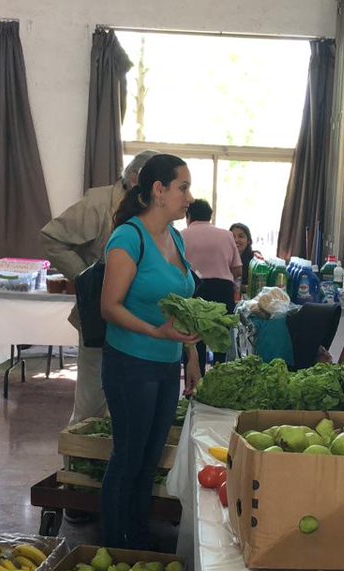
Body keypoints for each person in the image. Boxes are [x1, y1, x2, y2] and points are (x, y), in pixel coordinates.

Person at [100, 154, 201, 550]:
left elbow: (181, 304)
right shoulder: (130, 237)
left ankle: (137, 541)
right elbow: (110, 307)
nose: (189, 196)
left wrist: (191, 357)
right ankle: (111, 545)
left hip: (164, 366)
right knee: (128, 457)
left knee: (149, 459)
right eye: (183, 187)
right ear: (158, 191)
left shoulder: (174, 237)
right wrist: (155, 332)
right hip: (130, 365)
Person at [41, 150, 159, 424]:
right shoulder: (99, 202)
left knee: (126, 405)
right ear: (133, 178)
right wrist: (89, 279)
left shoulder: (150, 211)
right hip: (101, 316)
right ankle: (81, 462)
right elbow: (52, 237)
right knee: (92, 402)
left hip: (138, 318)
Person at [181, 199, 241, 370]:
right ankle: (219, 378)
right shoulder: (226, 235)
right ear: (210, 215)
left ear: (189, 215)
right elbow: (237, 270)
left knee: (194, 340)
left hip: (194, 290)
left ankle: (194, 383)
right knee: (221, 340)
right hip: (222, 291)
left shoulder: (181, 235)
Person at [229, 222, 257, 293]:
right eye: (233, 237)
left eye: (241, 236)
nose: (236, 240)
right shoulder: (224, 258)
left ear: (248, 241)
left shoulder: (255, 260)